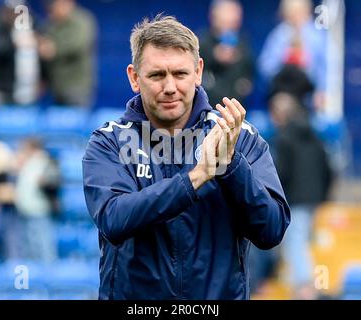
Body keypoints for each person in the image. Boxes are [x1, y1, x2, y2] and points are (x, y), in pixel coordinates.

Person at [82, 15, 290, 300]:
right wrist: (196, 177)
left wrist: (230, 166)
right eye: (157, 75)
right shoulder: (109, 141)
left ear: (198, 72)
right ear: (134, 77)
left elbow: (272, 230)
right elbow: (114, 219)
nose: (170, 87)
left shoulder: (239, 137)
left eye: (180, 74)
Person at [269, 92, 333, 299]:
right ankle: (300, 284)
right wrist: (323, 194)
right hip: (314, 198)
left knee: (295, 241)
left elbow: (281, 172)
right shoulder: (315, 135)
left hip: (294, 199)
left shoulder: (284, 138)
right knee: (302, 239)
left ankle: (305, 289)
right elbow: (328, 168)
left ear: (279, 114)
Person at [258, 0, 327, 111]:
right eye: (292, 13)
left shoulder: (317, 37)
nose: (296, 17)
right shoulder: (278, 36)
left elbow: (325, 70)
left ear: (307, 12)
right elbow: (265, 68)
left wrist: (321, 91)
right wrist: (285, 58)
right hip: (283, 91)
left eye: (299, 12)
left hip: (308, 96)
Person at [37, 0, 97, 107]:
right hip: (56, 87)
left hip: (77, 87)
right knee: (58, 121)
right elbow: (42, 45)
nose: (53, 9)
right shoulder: (52, 23)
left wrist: (53, 49)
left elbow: (77, 45)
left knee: (77, 121)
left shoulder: (82, 20)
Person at [200, 0, 254, 106]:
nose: (232, 20)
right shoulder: (203, 41)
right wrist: (214, 57)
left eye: (235, 16)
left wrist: (245, 85)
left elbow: (250, 72)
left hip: (237, 105)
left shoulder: (243, 43)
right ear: (214, 17)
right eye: (227, 15)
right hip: (208, 104)